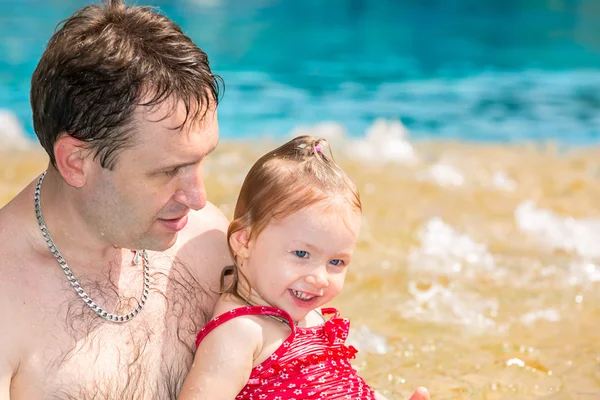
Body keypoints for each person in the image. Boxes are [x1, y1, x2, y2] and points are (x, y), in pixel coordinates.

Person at [0, 1, 430, 399]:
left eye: (202, 160)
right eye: (167, 171)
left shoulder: (206, 243)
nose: (198, 197)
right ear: (76, 161)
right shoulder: (9, 306)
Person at [179, 136, 416, 400]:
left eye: (336, 262)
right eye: (302, 254)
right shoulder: (241, 332)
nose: (320, 278)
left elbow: (338, 385)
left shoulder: (309, 315)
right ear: (243, 242)